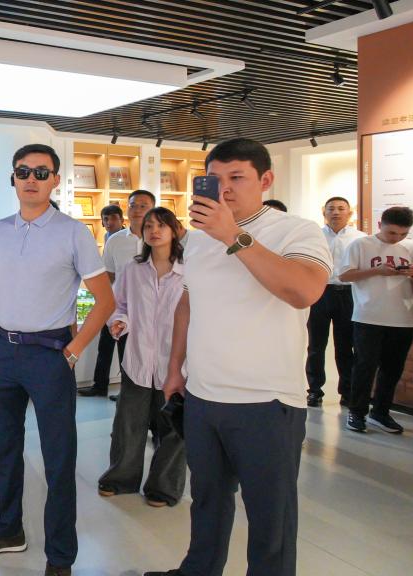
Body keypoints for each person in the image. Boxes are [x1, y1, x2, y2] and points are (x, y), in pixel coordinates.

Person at [144, 138, 331, 576]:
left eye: (237, 178)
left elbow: (304, 290)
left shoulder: (296, 231)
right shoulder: (198, 239)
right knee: (207, 500)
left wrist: (232, 234)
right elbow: (188, 301)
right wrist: (175, 368)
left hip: (266, 400)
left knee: (270, 516)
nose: (224, 188)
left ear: (265, 180)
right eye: (214, 178)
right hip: (204, 395)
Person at [0, 144, 114, 576]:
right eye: (23, 171)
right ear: (13, 178)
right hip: (1, 351)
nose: (31, 178)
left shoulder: (73, 232)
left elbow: (105, 300)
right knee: (4, 448)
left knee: (58, 457)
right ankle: (9, 528)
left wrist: (74, 349)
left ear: (55, 180)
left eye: (41, 172)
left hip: (50, 355)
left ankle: (61, 555)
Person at [97, 207, 186, 507]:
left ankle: (163, 487)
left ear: (174, 230)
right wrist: (119, 321)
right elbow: (118, 304)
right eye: (149, 226)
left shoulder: (189, 271)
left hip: (176, 364)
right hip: (138, 360)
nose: (154, 231)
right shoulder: (133, 270)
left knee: (173, 428)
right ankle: (120, 478)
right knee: (128, 423)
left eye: (161, 225)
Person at [338, 206, 413, 434]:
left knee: (393, 369)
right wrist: (376, 270)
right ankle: (357, 412)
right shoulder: (361, 245)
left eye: (403, 234)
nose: (397, 238)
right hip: (368, 316)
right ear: (380, 225)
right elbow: (344, 275)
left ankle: (380, 412)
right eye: (392, 233)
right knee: (364, 367)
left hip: (403, 318)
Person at [80, 189, 155, 398]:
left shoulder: (160, 237)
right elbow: (109, 275)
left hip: (150, 307)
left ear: (153, 209)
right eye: (133, 205)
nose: (137, 210)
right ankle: (104, 386)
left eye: (143, 206)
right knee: (112, 347)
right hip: (118, 306)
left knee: (141, 354)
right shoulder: (116, 240)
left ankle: (133, 393)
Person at [306, 197, 366, 407]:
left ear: (350, 213)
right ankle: (314, 390)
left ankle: (347, 391)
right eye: (331, 209)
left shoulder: (360, 238)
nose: (336, 212)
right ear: (324, 212)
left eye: (341, 209)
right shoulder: (314, 236)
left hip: (348, 294)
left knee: (346, 345)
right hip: (320, 292)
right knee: (316, 345)